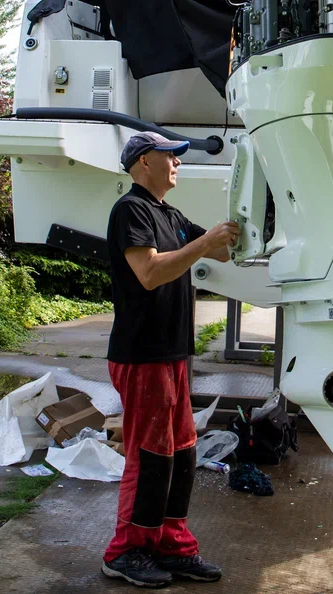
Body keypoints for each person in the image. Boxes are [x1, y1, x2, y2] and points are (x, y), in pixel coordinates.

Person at [102, 131, 240, 589]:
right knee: (149, 456)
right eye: (171, 156)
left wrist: (251, 222)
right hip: (142, 353)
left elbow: (222, 250)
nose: (178, 163)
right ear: (145, 161)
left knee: (181, 453)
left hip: (172, 353)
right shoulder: (131, 210)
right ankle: (125, 551)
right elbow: (149, 272)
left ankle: (171, 546)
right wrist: (204, 243)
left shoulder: (172, 215)